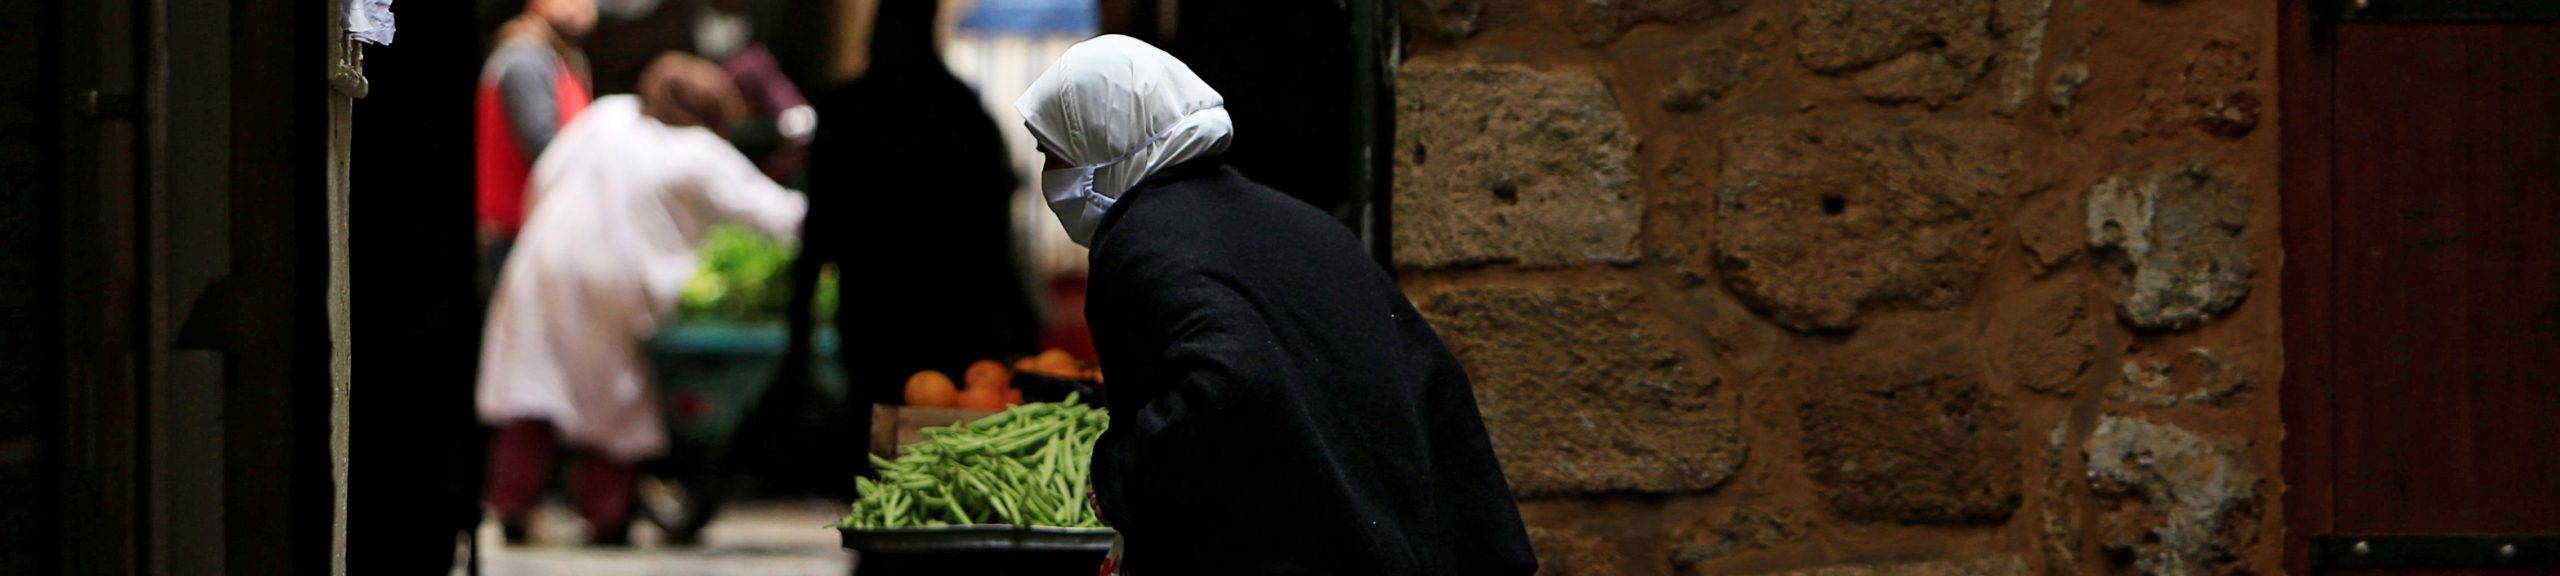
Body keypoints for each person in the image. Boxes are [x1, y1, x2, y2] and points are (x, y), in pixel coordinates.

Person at [1015, 35, 1538, 575]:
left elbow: (1230, 380)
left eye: (1054, 152)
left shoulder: (1142, 238)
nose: (1049, 172)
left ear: (1100, 140)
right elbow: (1432, 375)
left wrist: (1120, 477)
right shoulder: (1293, 220)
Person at [478, 54, 808, 546]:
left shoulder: (607, 115)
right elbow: (779, 216)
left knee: (533, 387)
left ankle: (512, 505)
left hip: (542, 258)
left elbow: (545, 170)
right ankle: (606, 516)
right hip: (614, 279)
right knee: (616, 398)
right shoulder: (699, 150)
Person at [787, 0, 1036, 471]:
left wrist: (798, 319)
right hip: (942, 309)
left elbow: (818, 227)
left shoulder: (850, 109)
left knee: (890, 446)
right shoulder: (962, 110)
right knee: (944, 448)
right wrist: (1017, 316)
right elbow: (996, 225)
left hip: (886, 308)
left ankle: (885, 538)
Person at [476, 0, 597, 305]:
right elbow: (545, 146)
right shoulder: (524, 59)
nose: (581, 6)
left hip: (540, 229)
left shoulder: (558, 58)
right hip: (517, 235)